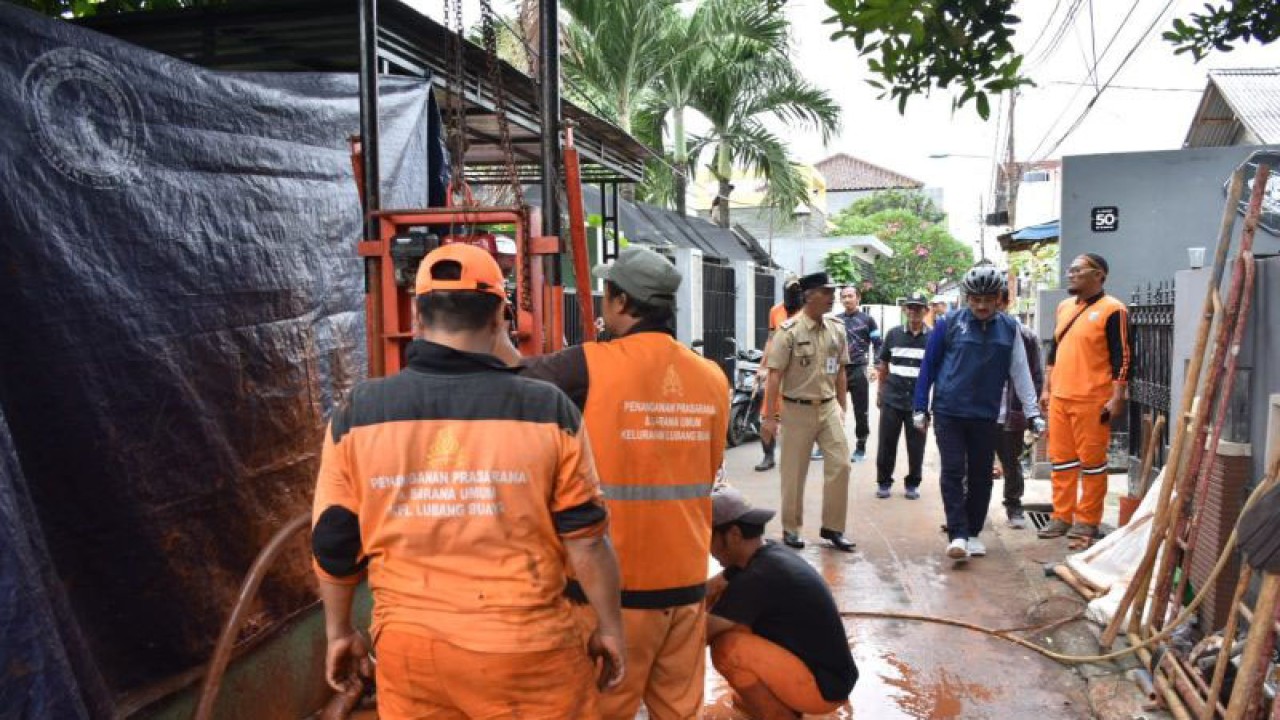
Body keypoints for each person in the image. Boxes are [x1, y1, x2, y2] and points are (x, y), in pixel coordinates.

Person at [311, 244, 625, 718]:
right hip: (527, 652)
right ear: (501, 316)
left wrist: (339, 632)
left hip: (411, 654)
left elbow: (333, 542)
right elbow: (586, 542)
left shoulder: (359, 414)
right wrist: (610, 628)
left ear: (417, 317)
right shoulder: (547, 410)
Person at [503, 245, 730, 720]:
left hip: (615, 593)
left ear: (622, 303)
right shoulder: (712, 378)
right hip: (687, 584)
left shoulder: (588, 365)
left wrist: (492, 324)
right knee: (679, 711)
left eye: (607, 295)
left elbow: (509, 381)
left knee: (603, 709)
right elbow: (708, 472)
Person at [913, 265, 1044, 563]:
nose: (982, 306)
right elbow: (928, 368)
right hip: (949, 411)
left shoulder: (1010, 329)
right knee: (954, 470)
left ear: (999, 298)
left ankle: (972, 533)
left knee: (982, 475)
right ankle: (957, 534)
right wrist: (920, 406)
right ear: (967, 298)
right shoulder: (948, 324)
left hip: (986, 414)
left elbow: (1020, 374)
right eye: (975, 299)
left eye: (988, 299)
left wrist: (1033, 412)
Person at [706, 486, 858, 720]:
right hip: (832, 676)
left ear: (733, 535)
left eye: (708, 537)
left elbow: (699, 635)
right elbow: (710, 588)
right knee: (731, 620)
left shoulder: (756, 578)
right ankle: (780, 700)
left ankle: (781, 714)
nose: (707, 548)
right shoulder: (765, 553)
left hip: (823, 690)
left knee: (727, 649)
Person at [1037, 253, 1130, 541]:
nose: (1071, 274)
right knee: (1061, 460)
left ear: (1098, 274)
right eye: (1070, 270)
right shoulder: (1064, 307)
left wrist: (1118, 396)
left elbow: (1122, 356)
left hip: (1093, 400)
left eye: (1077, 270)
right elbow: (1053, 352)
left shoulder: (1113, 310)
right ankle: (1061, 516)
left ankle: (1087, 520)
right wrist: (1046, 388)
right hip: (1060, 397)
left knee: (1092, 463)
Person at [761, 271, 855, 552]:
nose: (832, 298)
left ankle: (833, 528)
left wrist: (842, 406)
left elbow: (840, 370)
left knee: (841, 465)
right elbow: (774, 376)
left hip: (827, 408)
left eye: (832, 292)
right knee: (794, 473)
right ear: (809, 296)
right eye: (826, 292)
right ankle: (791, 529)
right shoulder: (788, 331)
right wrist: (768, 417)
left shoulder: (837, 329)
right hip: (796, 409)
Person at [995, 288, 1044, 529]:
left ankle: (1014, 506)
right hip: (981, 413)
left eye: (997, 300)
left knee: (1011, 461)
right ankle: (967, 508)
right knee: (971, 462)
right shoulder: (976, 331)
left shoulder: (1025, 336)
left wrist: (1029, 411)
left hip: (1011, 412)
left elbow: (1034, 376)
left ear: (1006, 302)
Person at [874, 291, 930, 500]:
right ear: (905, 310)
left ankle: (913, 483)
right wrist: (881, 391)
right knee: (887, 443)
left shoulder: (932, 338)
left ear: (926, 311)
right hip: (892, 398)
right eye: (910, 307)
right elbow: (884, 365)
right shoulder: (893, 334)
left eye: (918, 308)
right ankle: (884, 482)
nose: (914, 311)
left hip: (918, 403)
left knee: (916, 446)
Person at [756, 276, 804, 471]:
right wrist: (762, 366)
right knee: (767, 413)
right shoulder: (775, 311)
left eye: (797, 290)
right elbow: (770, 339)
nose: (793, 294)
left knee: (797, 416)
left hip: (799, 371)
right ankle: (768, 456)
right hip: (777, 369)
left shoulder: (808, 313)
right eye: (790, 290)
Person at [836, 286, 881, 462]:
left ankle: (860, 446)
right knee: (831, 410)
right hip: (838, 370)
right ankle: (827, 446)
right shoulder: (835, 321)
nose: (847, 299)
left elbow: (878, 344)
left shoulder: (868, 320)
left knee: (860, 411)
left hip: (858, 369)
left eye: (850, 296)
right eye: (844, 297)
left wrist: (876, 366)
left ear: (858, 298)